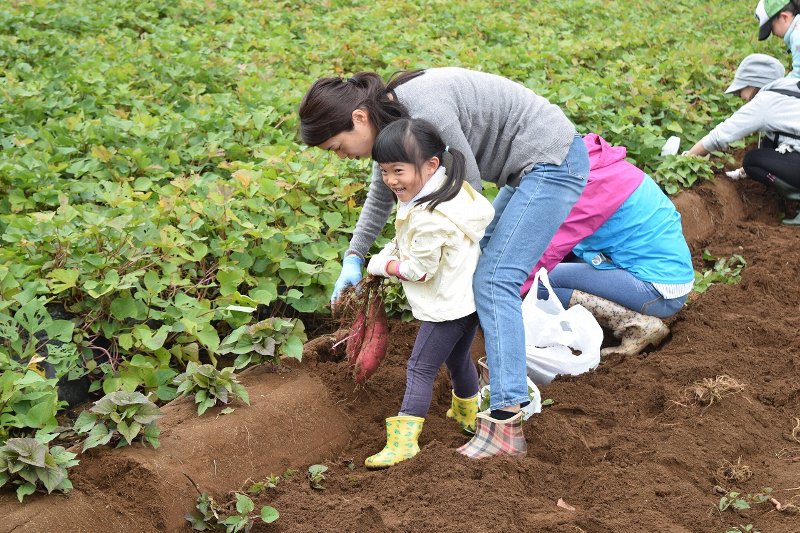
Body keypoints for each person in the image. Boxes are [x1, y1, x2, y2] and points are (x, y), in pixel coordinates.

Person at [300, 67, 589, 458]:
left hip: (550, 161)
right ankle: (475, 391)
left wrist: (410, 250)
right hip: (523, 171)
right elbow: (382, 192)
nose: (341, 156)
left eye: (337, 146)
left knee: (493, 280)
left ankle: (506, 416)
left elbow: (463, 188)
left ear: (359, 118)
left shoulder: (424, 109)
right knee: (477, 271)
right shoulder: (391, 123)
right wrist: (354, 255)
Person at [361, 118, 494, 468]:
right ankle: (468, 414)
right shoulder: (450, 190)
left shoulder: (430, 216)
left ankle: (404, 443)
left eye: (398, 170)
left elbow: (419, 270)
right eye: (384, 171)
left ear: (431, 164)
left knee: (419, 367)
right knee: (457, 359)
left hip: (446, 307)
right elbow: (408, 240)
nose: (390, 180)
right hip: (467, 301)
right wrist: (392, 250)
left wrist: (380, 266)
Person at [520, 134, 695, 357]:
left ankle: (637, 325)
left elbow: (552, 248)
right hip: (667, 275)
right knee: (562, 267)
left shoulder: (588, 187)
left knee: (542, 283)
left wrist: (507, 289)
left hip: (657, 289)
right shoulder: (601, 168)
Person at [685, 53, 800, 223]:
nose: (742, 97)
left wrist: (686, 158)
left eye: (741, 91)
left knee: (753, 160)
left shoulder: (765, 101)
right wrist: (740, 174)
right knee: (767, 146)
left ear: (754, 84)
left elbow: (720, 136)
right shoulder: (789, 88)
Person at [756, 0, 800, 78]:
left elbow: (797, 77)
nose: (773, 33)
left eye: (772, 28)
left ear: (784, 17)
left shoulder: (797, 36)